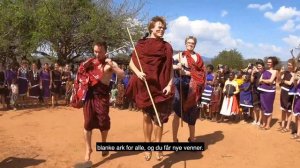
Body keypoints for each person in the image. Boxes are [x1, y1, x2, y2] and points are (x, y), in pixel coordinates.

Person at [126, 16, 174, 161]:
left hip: (160, 86)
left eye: (163, 27)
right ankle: (147, 146)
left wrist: (170, 84)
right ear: (151, 28)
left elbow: (170, 68)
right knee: (146, 116)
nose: (162, 29)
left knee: (158, 119)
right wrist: (138, 72)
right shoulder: (141, 44)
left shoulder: (167, 47)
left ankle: (158, 147)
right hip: (145, 85)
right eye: (159, 27)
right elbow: (131, 63)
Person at [77, 41, 124, 161]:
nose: (97, 54)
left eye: (100, 52)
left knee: (103, 122)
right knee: (87, 123)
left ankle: (104, 144)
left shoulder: (110, 64)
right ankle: (88, 150)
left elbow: (122, 75)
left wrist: (112, 66)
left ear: (105, 51)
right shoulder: (90, 63)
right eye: (95, 51)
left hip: (102, 96)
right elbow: (81, 74)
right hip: (89, 96)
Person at [172, 36, 206, 144]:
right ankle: (174, 140)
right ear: (185, 43)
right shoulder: (179, 55)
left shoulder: (198, 58)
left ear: (195, 45)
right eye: (188, 42)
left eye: (192, 43)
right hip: (180, 85)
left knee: (192, 113)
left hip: (193, 87)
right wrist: (176, 66)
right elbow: (168, 64)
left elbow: (202, 74)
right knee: (177, 113)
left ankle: (192, 139)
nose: (190, 44)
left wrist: (187, 73)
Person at [258, 56, 278, 130]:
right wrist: (265, 80)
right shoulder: (264, 71)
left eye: (270, 62)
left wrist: (263, 80)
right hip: (262, 91)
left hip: (270, 92)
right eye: (267, 62)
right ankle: (264, 123)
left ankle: (268, 125)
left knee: (268, 107)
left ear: (273, 63)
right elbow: (260, 80)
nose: (268, 63)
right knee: (263, 107)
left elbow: (270, 81)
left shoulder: (275, 71)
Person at [278, 59, 295, 132]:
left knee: (288, 110)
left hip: (289, 93)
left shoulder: (294, 74)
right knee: (283, 109)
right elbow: (279, 81)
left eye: (290, 65)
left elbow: (290, 83)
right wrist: (280, 74)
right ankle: (282, 125)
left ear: (293, 66)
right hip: (283, 92)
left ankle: (287, 127)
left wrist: (283, 81)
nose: (289, 66)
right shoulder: (285, 72)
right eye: (288, 65)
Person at [250, 59, 264, 126]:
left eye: (260, 66)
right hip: (255, 91)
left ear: (263, 66)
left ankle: (259, 120)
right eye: (258, 66)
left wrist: (258, 72)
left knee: (261, 107)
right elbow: (252, 81)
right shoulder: (255, 73)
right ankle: (255, 120)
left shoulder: (264, 73)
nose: (259, 67)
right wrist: (252, 73)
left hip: (262, 92)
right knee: (255, 106)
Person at [291, 67, 300, 141]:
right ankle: (298, 133)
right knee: (297, 116)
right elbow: (295, 85)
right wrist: (295, 78)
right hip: (297, 98)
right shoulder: (298, 72)